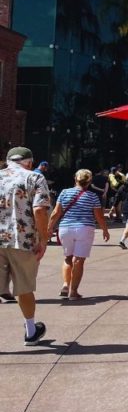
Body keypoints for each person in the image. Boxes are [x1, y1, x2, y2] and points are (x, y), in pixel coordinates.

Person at [0, 147, 51, 344]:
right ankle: (30, 331)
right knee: (24, 287)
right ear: (29, 162)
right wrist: (43, 238)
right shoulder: (34, 178)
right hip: (23, 240)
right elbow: (39, 210)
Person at [48, 169, 109, 300]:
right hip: (85, 228)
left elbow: (56, 213)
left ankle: (65, 284)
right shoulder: (92, 196)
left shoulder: (64, 193)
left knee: (67, 258)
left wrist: (48, 228)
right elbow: (99, 217)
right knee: (79, 261)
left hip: (65, 228)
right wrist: (105, 230)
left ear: (75, 179)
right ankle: (73, 292)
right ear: (90, 181)